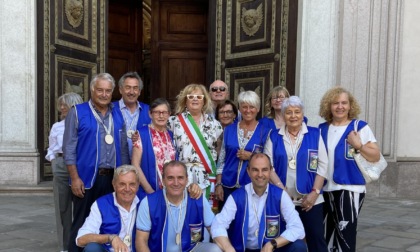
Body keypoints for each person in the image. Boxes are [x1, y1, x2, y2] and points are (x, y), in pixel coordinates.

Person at [63, 73, 130, 251]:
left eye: (108, 91)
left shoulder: (117, 114)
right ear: (92, 90)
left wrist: (124, 177)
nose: (104, 94)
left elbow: (123, 148)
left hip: (112, 180)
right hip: (86, 180)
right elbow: (68, 149)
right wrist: (74, 178)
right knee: (80, 224)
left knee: (108, 222)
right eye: (100, 90)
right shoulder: (77, 112)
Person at [318, 86, 380, 252]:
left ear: (350, 105)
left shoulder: (359, 127)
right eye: (335, 103)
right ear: (328, 106)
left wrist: (358, 145)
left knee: (345, 237)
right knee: (327, 235)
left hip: (349, 188)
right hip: (325, 190)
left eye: (344, 103)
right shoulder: (322, 129)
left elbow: (375, 156)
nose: (340, 106)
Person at [264, 96, 328, 252]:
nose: (293, 116)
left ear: (302, 113)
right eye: (289, 112)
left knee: (316, 240)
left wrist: (314, 193)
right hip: (283, 199)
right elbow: (269, 166)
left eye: (297, 112)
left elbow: (323, 165)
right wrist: (280, 189)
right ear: (283, 115)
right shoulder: (274, 136)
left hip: (311, 200)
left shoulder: (314, 134)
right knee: (286, 241)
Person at [211, 153, 307, 252]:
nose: (260, 174)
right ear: (248, 171)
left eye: (264, 170)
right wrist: (229, 249)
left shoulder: (281, 195)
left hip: (271, 249)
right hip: (245, 250)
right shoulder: (236, 197)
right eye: (255, 170)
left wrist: (272, 244)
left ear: (270, 171)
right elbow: (218, 225)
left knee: (298, 246)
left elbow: (298, 228)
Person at [135, 160, 222, 252]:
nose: (176, 183)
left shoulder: (197, 199)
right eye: (170, 178)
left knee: (215, 249)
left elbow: (215, 230)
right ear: (163, 180)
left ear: (186, 179)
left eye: (180, 178)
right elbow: (141, 241)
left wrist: (229, 249)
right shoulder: (148, 202)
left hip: (190, 249)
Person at [215, 91, 271, 210]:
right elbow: (221, 160)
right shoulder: (229, 130)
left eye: (252, 107)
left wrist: (251, 156)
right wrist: (218, 184)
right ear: (239, 108)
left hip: (251, 186)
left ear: (258, 109)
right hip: (227, 185)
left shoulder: (265, 131)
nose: (248, 110)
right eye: (244, 107)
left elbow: (268, 161)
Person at [167, 84, 223, 202]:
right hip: (182, 176)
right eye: (191, 96)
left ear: (204, 101)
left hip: (206, 176)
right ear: (185, 101)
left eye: (199, 96)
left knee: (205, 214)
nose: (195, 99)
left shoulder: (215, 125)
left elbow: (219, 151)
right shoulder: (173, 122)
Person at [45, 92, 83, 252]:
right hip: (61, 165)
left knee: (82, 207)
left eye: (65, 104)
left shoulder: (83, 123)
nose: (61, 107)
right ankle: (64, 246)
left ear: (74, 105)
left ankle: (80, 242)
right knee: (62, 207)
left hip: (79, 166)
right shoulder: (57, 126)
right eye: (60, 104)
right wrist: (54, 161)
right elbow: (51, 148)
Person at [76, 165, 140, 252]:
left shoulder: (145, 203)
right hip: (109, 250)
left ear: (138, 185)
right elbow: (80, 239)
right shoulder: (102, 204)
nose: (127, 189)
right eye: (122, 184)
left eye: (132, 184)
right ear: (114, 185)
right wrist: (110, 238)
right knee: (92, 249)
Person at [131, 98, 176, 199]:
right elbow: (135, 165)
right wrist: (149, 191)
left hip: (171, 192)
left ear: (169, 114)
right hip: (148, 191)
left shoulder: (172, 135)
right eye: (157, 112)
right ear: (150, 114)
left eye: (164, 112)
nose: (161, 116)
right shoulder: (141, 134)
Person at [112, 72, 151, 158]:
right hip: (116, 162)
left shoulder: (149, 111)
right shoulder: (110, 109)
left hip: (140, 164)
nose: (132, 92)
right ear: (120, 90)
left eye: (135, 88)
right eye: (128, 88)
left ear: (139, 92)